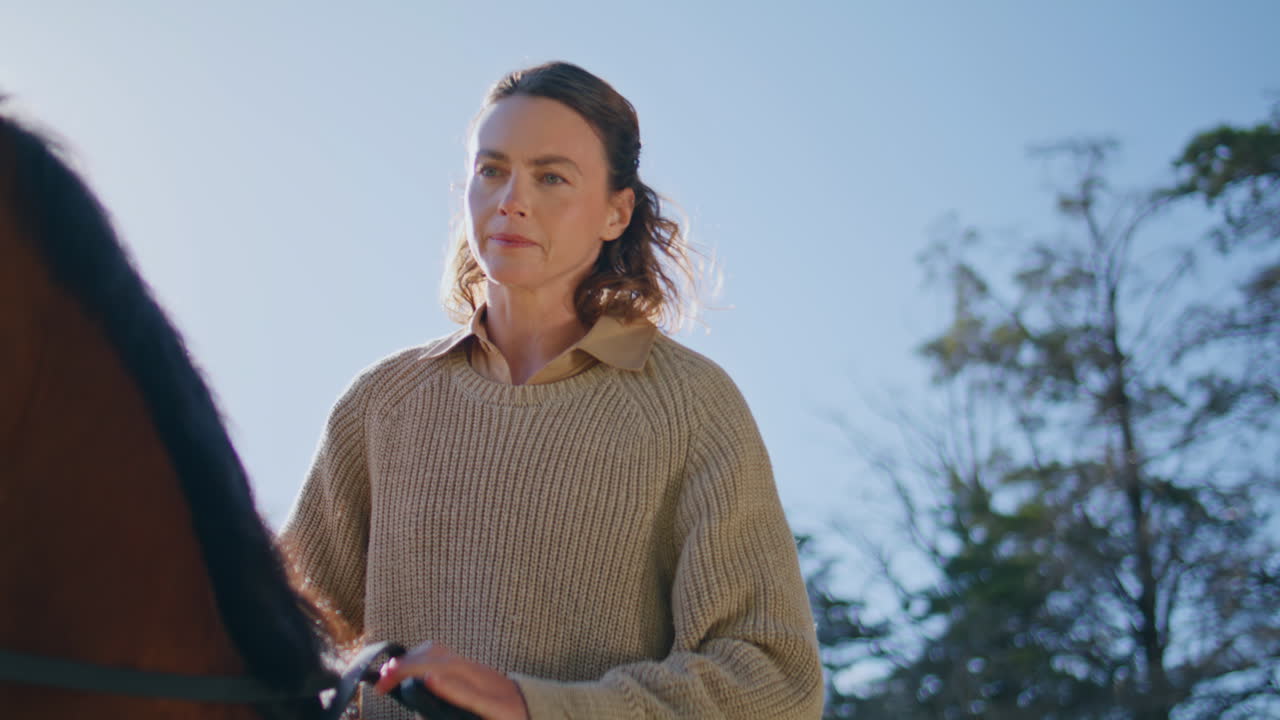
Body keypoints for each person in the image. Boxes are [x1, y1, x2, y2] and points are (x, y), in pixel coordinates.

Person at [281, 61, 823, 720]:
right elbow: (281, 639)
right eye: (491, 170)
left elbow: (774, 678)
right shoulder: (382, 403)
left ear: (616, 212)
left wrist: (534, 707)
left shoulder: (691, 404)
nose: (512, 198)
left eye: (551, 177)